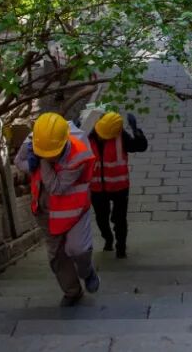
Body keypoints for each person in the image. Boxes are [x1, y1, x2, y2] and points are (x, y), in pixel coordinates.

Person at [15, 111, 101, 306]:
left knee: (78, 249)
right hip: (44, 209)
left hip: (74, 209)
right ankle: (72, 292)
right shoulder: (35, 140)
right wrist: (30, 164)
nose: (50, 157)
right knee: (57, 256)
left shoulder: (79, 151)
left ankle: (87, 272)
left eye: (52, 154)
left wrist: (41, 162)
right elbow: (19, 162)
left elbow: (56, 187)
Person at [81, 109, 148, 259]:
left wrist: (136, 131)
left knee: (120, 219)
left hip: (119, 187)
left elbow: (140, 146)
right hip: (97, 188)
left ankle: (121, 248)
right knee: (101, 219)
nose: (103, 138)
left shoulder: (120, 135)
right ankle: (108, 238)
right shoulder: (88, 137)